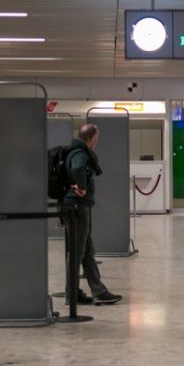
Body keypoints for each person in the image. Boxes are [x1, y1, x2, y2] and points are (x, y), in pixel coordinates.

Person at [62, 123, 123, 305]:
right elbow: (77, 168)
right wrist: (82, 188)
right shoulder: (80, 153)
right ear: (91, 137)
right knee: (77, 252)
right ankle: (71, 294)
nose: (98, 140)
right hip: (76, 207)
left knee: (87, 251)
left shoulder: (73, 150)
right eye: (97, 137)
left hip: (74, 206)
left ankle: (98, 290)